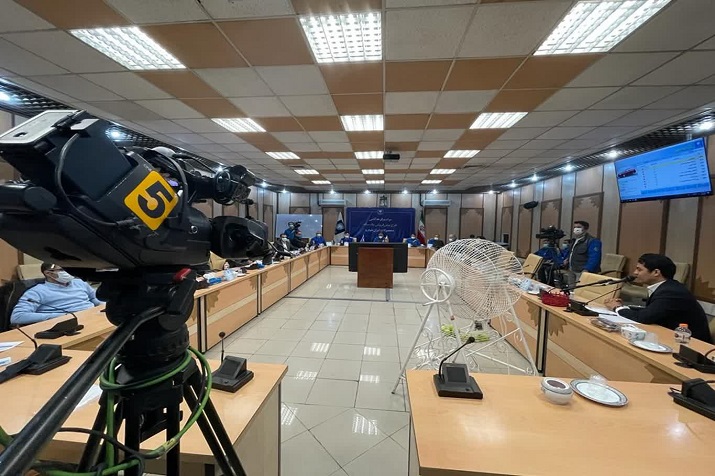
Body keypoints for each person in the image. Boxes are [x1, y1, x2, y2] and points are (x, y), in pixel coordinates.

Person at [604, 254, 712, 343]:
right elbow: (653, 310)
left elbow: (643, 318)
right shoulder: (666, 287)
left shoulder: (671, 292)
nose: (635, 273)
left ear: (656, 272)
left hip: (691, 346)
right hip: (673, 336)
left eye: (639, 269)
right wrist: (624, 307)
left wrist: (617, 308)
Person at [11, 263, 103, 326]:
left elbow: (95, 298)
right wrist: (62, 316)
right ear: (48, 273)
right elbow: (17, 317)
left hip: (93, 318)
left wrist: (103, 307)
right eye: (63, 269)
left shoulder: (79, 282)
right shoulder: (36, 292)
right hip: (66, 324)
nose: (68, 272)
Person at [562, 220, 601, 285]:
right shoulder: (574, 240)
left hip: (582, 271)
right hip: (572, 269)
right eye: (574, 227)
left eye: (579, 227)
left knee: (579, 288)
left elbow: (594, 257)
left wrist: (587, 269)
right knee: (570, 288)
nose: (576, 229)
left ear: (585, 229)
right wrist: (567, 259)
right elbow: (572, 252)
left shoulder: (593, 241)